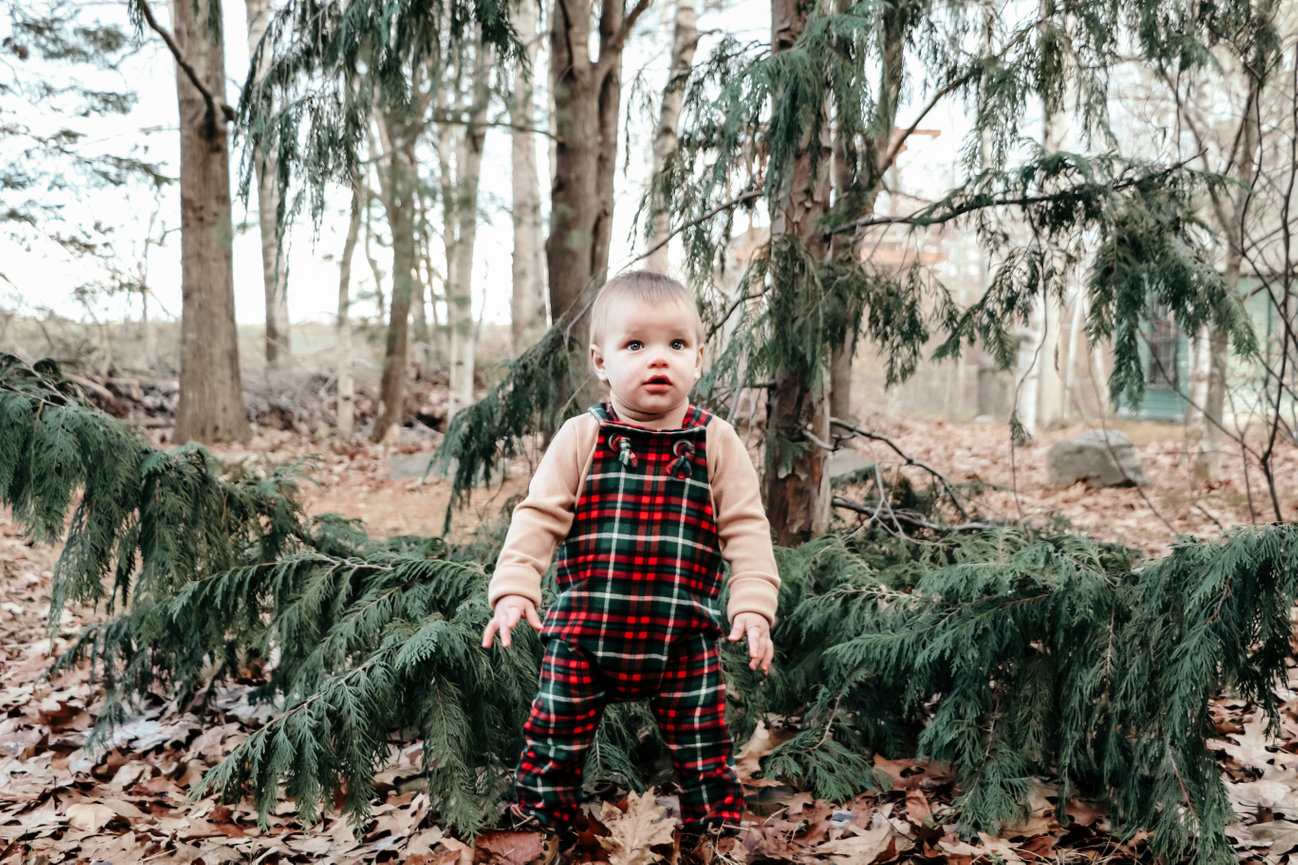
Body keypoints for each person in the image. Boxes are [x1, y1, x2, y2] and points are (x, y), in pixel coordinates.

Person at [481, 270, 780, 864]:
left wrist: (752, 603)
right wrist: (515, 589)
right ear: (601, 360)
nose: (657, 360)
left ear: (699, 358)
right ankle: (540, 826)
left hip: (682, 638)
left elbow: (746, 529)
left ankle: (714, 830)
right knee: (553, 737)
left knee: (704, 745)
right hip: (585, 633)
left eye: (676, 344)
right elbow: (537, 518)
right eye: (635, 345)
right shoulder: (581, 437)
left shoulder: (715, 442)